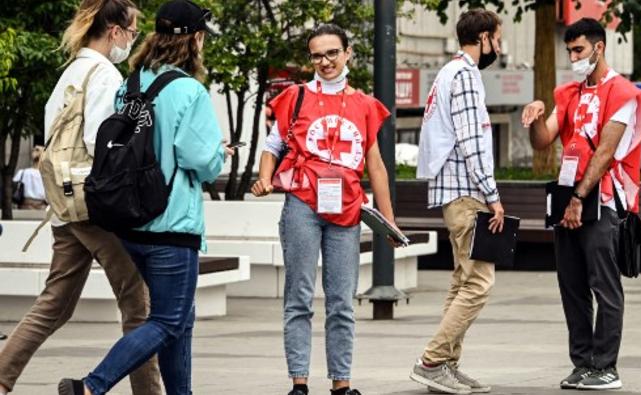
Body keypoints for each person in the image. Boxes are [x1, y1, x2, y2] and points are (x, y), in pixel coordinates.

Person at [58, 1, 229, 394]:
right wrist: (219, 151)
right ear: (195, 39)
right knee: (168, 321)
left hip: (133, 222)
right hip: (171, 222)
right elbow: (200, 160)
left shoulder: (131, 84)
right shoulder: (189, 90)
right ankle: (90, 386)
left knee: (180, 319)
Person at [0, 1, 162, 394]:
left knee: (55, 303)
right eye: (133, 30)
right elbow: (101, 142)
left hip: (65, 207)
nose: (134, 38)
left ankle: (1, 378)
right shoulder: (104, 75)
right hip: (96, 207)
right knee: (139, 304)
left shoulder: (70, 72)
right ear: (114, 31)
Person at [251, 23, 399, 395]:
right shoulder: (296, 97)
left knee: (341, 301)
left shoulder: (365, 105)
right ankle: (299, 382)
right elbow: (272, 147)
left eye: (333, 52)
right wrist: (265, 178)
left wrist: (389, 223)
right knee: (299, 296)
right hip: (302, 204)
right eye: (317, 55)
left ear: (348, 53)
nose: (326, 61)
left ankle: (341, 384)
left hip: (347, 210)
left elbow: (376, 166)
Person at [521, 17, 641, 391]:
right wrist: (534, 116)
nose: (573, 57)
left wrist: (580, 197)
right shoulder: (568, 94)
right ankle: (582, 364)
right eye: (569, 51)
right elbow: (543, 140)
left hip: (603, 199)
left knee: (603, 285)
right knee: (572, 285)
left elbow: (607, 151)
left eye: (578, 50)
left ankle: (606, 366)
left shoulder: (623, 93)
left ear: (598, 47)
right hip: (568, 198)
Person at [411, 8, 505, 395]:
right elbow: (471, 141)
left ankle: (447, 364)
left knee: (462, 280)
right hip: (467, 193)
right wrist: (493, 196)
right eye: (496, 39)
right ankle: (432, 361)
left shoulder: (448, 73)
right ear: (482, 37)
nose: (499, 47)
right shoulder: (465, 76)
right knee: (480, 282)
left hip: (452, 192)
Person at [12, 146, 47, 210]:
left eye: (37, 150)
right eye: (33, 150)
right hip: (26, 205)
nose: (34, 151)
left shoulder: (47, 174)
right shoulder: (23, 172)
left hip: (42, 206)